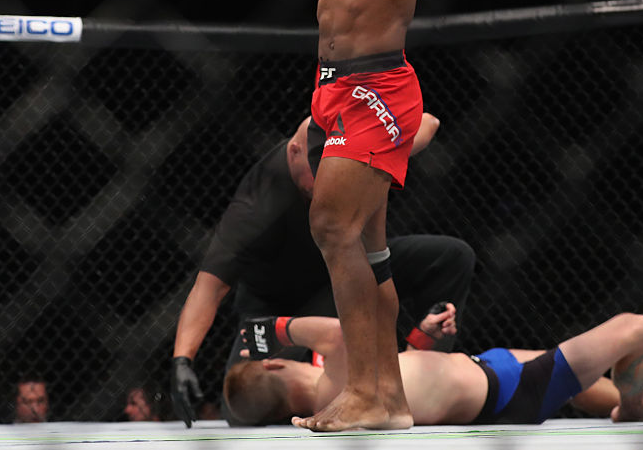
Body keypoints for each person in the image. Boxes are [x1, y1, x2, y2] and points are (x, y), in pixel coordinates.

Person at [134, 0, 498, 431]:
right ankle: (389, 400)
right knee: (372, 252)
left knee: (331, 225)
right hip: (330, 90)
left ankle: (364, 392)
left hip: (378, 87)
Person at [167, 113, 476, 426]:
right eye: (318, 169)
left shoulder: (348, 157)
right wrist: (182, 358)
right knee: (243, 408)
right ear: (295, 152)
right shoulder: (254, 207)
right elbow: (208, 288)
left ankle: (427, 362)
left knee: (451, 256)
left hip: (347, 272)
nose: (329, 180)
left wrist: (382, 145)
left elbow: (429, 123)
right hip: (278, 308)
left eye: (331, 167)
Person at [226, 307, 643, 428]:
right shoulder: (335, 391)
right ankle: (634, 407)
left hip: (487, 368)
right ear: (274, 366)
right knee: (637, 327)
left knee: (577, 382)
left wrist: (423, 338)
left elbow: (401, 371)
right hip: (509, 393)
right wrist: (275, 328)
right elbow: (342, 332)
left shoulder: (346, 391)